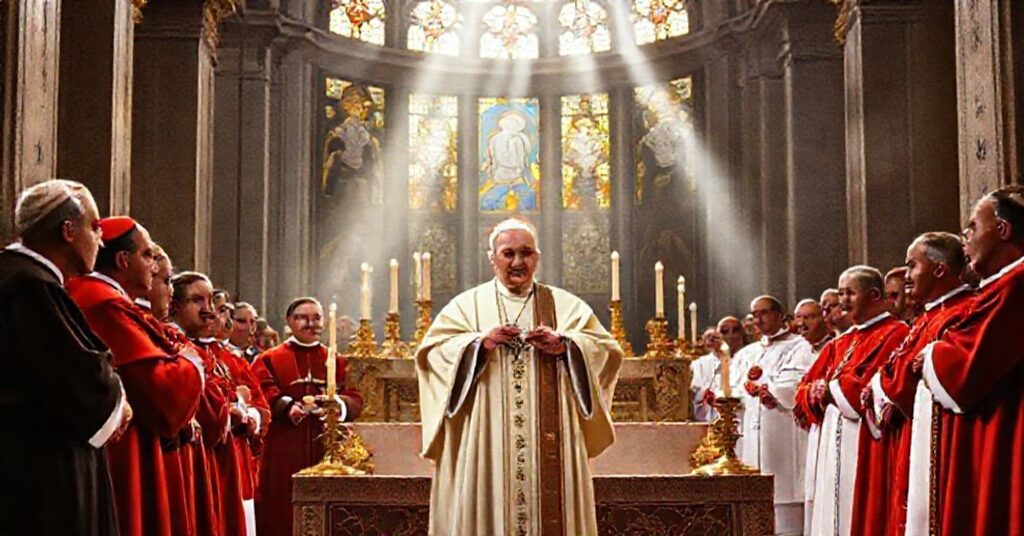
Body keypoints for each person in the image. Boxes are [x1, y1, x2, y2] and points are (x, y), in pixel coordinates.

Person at [416, 218, 623, 535]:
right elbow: (431, 354)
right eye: (508, 253)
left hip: (552, 442)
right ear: (492, 259)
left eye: (525, 253)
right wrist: (478, 346)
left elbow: (608, 351)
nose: (517, 262)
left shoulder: (564, 306)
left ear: (537, 257)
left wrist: (567, 345)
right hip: (486, 441)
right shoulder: (467, 305)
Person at [0, 180, 127, 536]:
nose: (100, 239)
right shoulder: (31, 286)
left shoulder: (20, 277)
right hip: (38, 473)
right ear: (69, 231)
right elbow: (83, 382)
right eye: (95, 226)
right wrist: (118, 397)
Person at [66, 217, 205, 536]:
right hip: (124, 452)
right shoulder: (103, 303)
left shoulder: (107, 300)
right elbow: (163, 393)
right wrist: (192, 362)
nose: (154, 268)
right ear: (122, 260)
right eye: (148, 256)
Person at [914, 186, 1024, 534]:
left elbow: (968, 368)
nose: (965, 239)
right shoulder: (1000, 286)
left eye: (972, 227)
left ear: (1003, 230)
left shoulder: (1016, 285)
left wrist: (931, 353)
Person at [850, 232, 972, 536]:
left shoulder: (964, 311)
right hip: (910, 436)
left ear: (939, 269)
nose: (906, 276)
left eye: (912, 265)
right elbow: (901, 370)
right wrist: (880, 387)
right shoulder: (927, 318)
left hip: (946, 441)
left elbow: (914, 379)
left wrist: (884, 387)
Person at [808, 266, 909, 536]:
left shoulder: (895, 333)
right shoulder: (843, 341)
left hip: (867, 442)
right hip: (833, 440)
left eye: (850, 293)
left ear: (874, 295)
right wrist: (816, 392)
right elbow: (811, 383)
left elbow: (874, 385)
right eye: (840, 293)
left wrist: (831, 390)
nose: (843, 301)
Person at [252, 297, 363, 536]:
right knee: (281, 510)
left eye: (317, 318)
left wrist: (339, 407)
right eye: (303, 318)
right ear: (289, 321)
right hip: (284, 447)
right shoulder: (269, 358)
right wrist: (286, 406)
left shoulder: (338, 361)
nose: (311, 324)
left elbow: (355, 397)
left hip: (326, 446)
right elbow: (260, 389)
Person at [733, 295, 813, 535]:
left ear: (780, 315)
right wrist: (733, 395)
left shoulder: (800, 346)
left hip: (784, 436)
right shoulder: (747, 353)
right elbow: (732, 385)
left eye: (764, 313)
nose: (758, 319)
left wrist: (772, 391)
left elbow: (798, 379)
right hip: (753, 439)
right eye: (754, 314)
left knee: (785, 513)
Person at [168, 272, 231, 536]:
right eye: (197, 301)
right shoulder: (172, 343)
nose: (209, 312)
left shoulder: (203, 350)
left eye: (211, 302)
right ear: (174, 305)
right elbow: (209, 412)